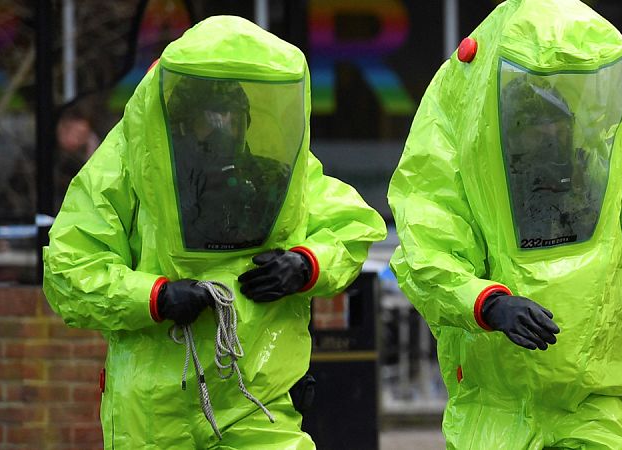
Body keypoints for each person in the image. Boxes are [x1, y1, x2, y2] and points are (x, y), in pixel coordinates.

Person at [388, 1, 622, 449]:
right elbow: (427, 255)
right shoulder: (465, 167)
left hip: (595, 404)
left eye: (555, 120)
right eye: (532, 121)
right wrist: (488, 304)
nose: (549, 133)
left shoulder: (590, 161)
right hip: (500, 411)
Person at [43, 16, 386, 449]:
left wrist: (305, 264)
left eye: (232, 117)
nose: (223, 130)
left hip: (257, 398)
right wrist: (155, 297)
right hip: (156, 412)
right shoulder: (125, 171)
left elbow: (349, 227)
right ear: (179, 120)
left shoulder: (273, 177)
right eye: (210, 117)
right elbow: (70, 270)